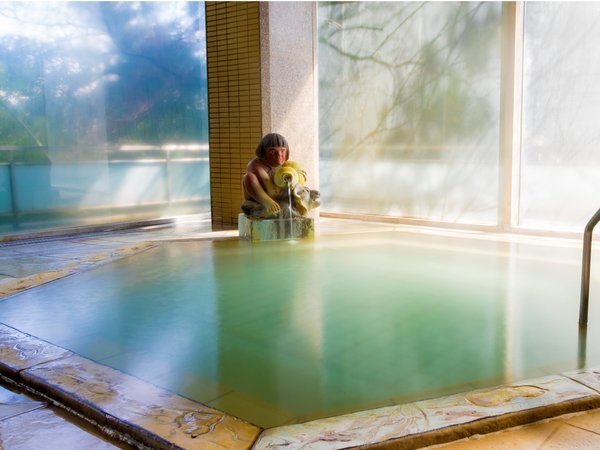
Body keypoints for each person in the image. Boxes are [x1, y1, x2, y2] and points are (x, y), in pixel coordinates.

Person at [241, 133, 290, 218]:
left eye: (282, 150)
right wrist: (268, 201)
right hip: (260, 199)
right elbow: (268, 187)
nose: (279, 155)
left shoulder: (285, 165)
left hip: (278, 196)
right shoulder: (255, 165)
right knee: (248, 177)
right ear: (263, 152)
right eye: (272, 151)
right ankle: (266, 202)